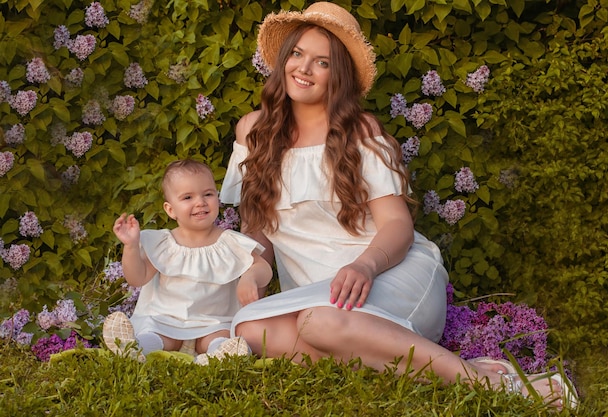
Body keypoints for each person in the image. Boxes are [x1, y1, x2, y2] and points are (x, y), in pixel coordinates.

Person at [219, 1, 578, 410]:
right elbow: (258, 228)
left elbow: (396, 225)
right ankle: (451, 367)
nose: (303, 69)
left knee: (317, 322)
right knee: (248, 330)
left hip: (388, 272)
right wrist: (255, 270)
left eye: (321, 62)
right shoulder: (253, 131)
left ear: (338, 76)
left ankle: (492, 386)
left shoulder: (360, 132)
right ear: (283, 59)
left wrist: (364, 265)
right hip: (317, 295)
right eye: (298, 54)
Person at [103, 159, 273, 364]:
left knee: (219, 336)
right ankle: (134, 347)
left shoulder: (229, 243)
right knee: (155, 332)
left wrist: (250, 277)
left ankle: (221, 354)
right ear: (170, 209)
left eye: (208, 194)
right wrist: (130, 247)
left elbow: (263, 267)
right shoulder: (163, 244)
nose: (200, 202)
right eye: (187, 197)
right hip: (166, 321)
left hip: (212, 322)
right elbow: (136, 278)